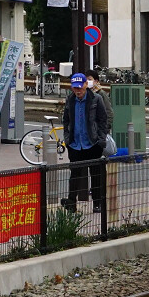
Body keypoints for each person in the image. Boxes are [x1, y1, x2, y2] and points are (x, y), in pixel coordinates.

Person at [61, 73, 109, 212]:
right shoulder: (70, 99)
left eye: (80, 87)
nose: (78, 91)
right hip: (75, 144)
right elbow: (66, 120)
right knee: (74, 175)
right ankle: (71, 204)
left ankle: (97, 203)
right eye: (75, 88)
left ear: (85, 85)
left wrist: (101, 139)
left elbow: (103, 120)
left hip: (92, 143)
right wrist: (67, 138)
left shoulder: (96, 99)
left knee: (95, 174)